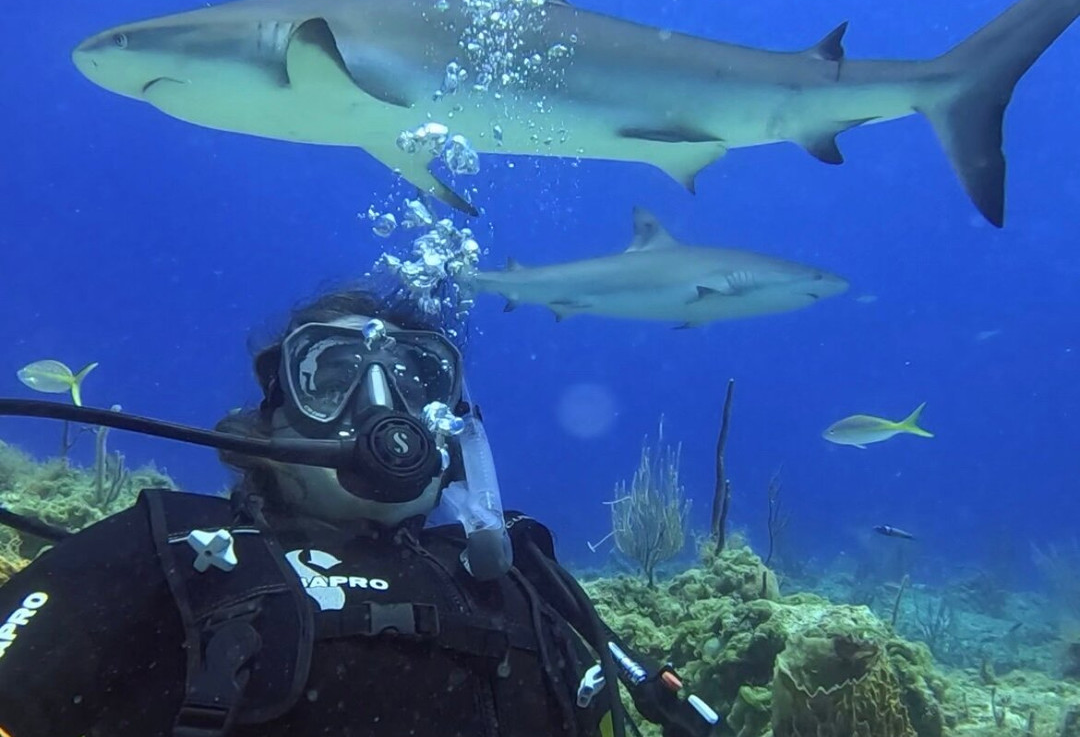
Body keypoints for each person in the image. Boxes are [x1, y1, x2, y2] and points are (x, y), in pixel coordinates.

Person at [0, 285, 717, 737]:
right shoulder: (169, 553)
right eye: (332, 375)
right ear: (269, 419)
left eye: (417, 380)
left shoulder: (521, 584)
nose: (381, 408)